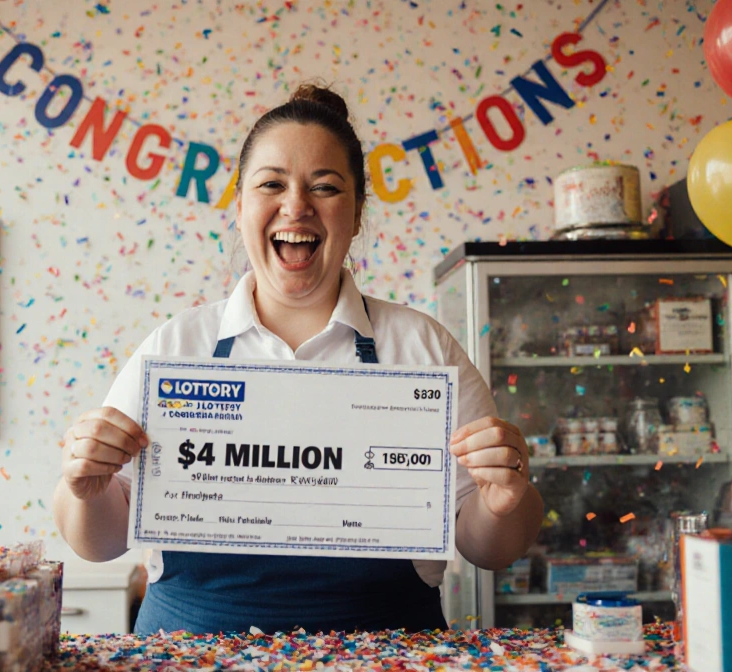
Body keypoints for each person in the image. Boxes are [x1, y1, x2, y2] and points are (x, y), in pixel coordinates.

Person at [54, 83, 543, 634]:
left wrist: (505, 500)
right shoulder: (174, 348)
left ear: (357, 213)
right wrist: (85, 488)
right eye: (271, 184)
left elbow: (491, 549)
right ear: (240, 208)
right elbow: (97, 544)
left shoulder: (423, 347)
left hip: (389, 649)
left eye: (326, 187)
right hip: (189, 649)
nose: (297, 205)